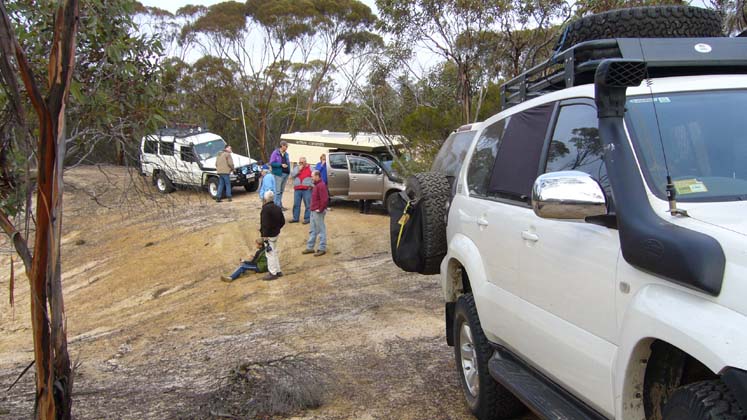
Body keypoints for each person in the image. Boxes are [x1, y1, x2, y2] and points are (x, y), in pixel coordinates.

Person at [302, 170, 329, 256]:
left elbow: (325, 199)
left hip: (317, 211)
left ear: (317, 176)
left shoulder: (321, 185)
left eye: (312, 176)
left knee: (321, 230)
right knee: (312, 230)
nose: (311, 178)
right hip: (313, 210)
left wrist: (320, 209)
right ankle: (310, 247)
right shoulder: (317, 185)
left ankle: (322, 248)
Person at [260, 190, 285, 281]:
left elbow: (265, 224)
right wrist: (277, 229)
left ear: (265, 199)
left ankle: (273, 273)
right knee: (274, 252)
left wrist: (264, 235)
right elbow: (282, 221)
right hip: (276, 233)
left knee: (269, 254)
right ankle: (278, 271)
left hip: (269, 235)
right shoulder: (277, 207)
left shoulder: (265, 209)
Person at [289, 157, 313, 224]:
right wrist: (298, 170)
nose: (300, 164)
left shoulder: (311, 168)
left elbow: (315, 177)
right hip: (297, 189)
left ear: (305, 162)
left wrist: (311, 185)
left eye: (302, 162)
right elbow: (292, 175)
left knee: (308, 204)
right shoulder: (296, 168)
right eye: (300, 162)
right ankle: (295, 218)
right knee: (296, 204)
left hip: (307, 189)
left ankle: (307, 219)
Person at [269, 141, 290, 209]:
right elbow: (272, 163)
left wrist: (289, 171)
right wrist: (280, 165)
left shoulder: (286, 154)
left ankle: (279, 205)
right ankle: (276, 206)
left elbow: (288, 163)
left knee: (281, 191)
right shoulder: (275, 153)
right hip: (278, 174)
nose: (286, 148)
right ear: (282, 146)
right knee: (277, 191)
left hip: (285, 174)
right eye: (286, 146)